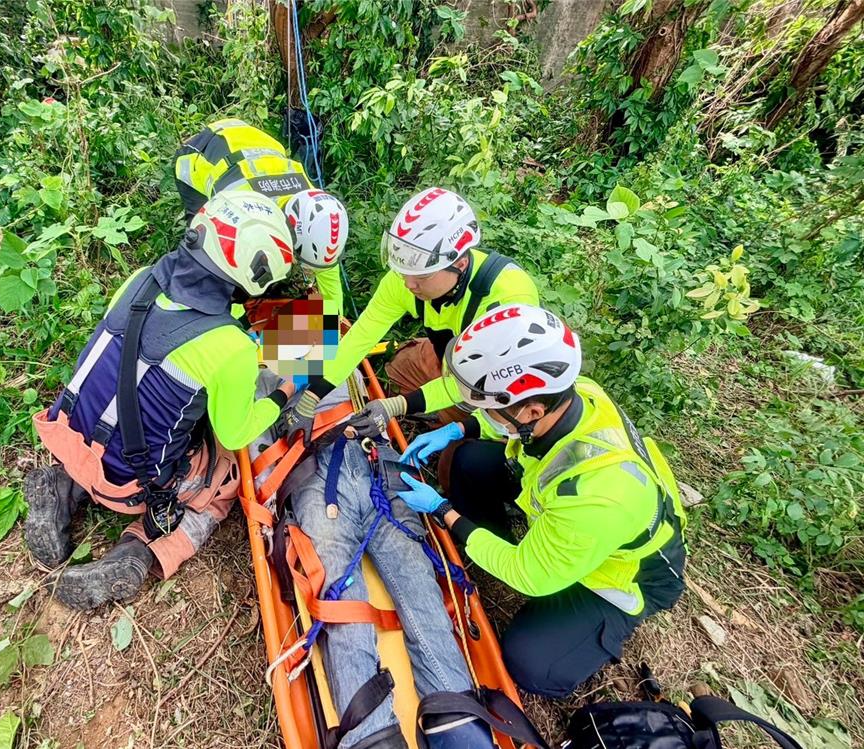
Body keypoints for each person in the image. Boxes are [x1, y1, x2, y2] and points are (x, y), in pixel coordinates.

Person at [394, 304, 687, 698]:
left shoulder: (598, 496)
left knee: (530, 664)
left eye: (489, 408)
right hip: (568, 509)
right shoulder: (574, 394)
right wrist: (457, 428)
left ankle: (587, 628)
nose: (484, 413)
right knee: (468, 460)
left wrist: (445, 512)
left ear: (534, 410)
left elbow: (528, 575)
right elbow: (506, 421)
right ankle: (483, 545)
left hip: (623, 575)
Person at [24, 191, 298, 610]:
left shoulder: (142, 278)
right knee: (222, 489)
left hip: (73, 438)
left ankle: (63, 485)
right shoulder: (231, 348)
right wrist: (285, 390)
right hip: (128, 484)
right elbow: (237, 431)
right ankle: (141, 552)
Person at [252, 370, 497, 749]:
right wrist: (276, 495)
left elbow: (332, 340)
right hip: (314, 476)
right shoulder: (263, 379)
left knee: (418, 583)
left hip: (376, 459)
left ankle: (457, 722)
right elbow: (258, 446)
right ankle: (372, 737)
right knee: (341, 602)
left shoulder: (340, 353)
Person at [282, 187, 540, 445]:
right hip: (449, 356)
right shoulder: (408, 276)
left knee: (459, 463)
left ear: (459, 264)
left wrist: (396, 406)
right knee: (397, 370)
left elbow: (473, 383)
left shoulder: (507, 300)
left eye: (421, 277)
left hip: (494, 386)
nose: (408, 285)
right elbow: (361, 336)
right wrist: (312, 397)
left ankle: (453, 424)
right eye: (404, 272)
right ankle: (429, 396)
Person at [174, 118, 349, 314]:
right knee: (204, 247)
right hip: (200, 154)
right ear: (289, 231)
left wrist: (333, 324)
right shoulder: (245, 210)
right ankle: (186, 304)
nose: (307, 272)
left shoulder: (316, 213)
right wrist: (240, 332)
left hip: (252, 144)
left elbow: (331, 291)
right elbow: (228, 265)